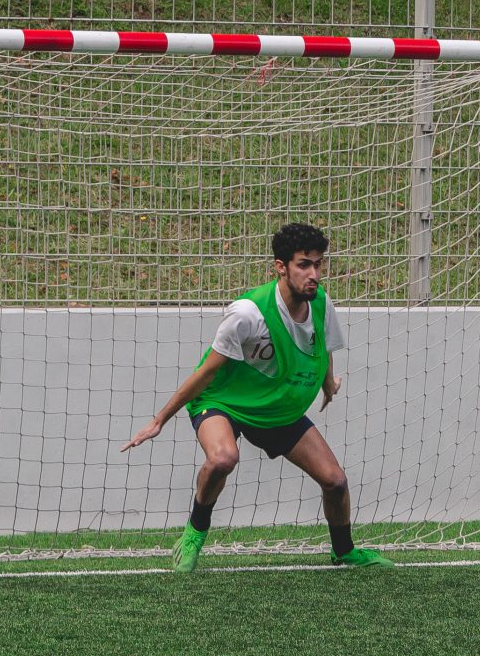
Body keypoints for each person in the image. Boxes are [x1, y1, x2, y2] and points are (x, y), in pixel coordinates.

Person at [121, 222, 388, 571]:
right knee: (222, 459)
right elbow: (206, 372)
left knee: (335, 481)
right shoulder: (248, 313)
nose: (314, 274)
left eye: (318, 264)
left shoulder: (320, 302)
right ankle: (196, 529)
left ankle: (344, 551)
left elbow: (320, 346)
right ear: (281, 267)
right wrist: (158, 421)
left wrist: (327, 385)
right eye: (304, 264)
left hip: (276, 408)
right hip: (224, 402)